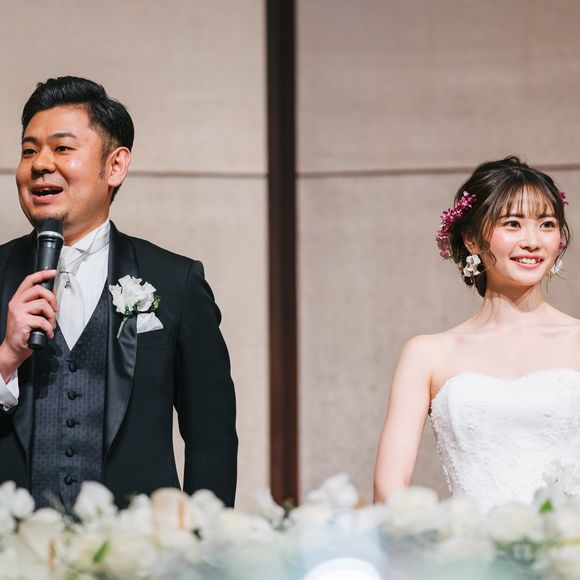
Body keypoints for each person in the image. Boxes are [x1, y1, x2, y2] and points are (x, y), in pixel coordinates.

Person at [0, 76, 238, 510]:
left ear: (115, 166)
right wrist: (5, 360)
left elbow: (212, 438)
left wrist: (202, 539)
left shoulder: (176, 281)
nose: (40, 164)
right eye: (29, 151)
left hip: (137, 543)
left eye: (62, 148)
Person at [374, 156, 580, 511]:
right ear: (471, 239)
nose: (533, 241)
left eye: (547, 224)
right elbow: (388, 487)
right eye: (512, 224)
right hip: (473, 544)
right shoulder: (428, 355)